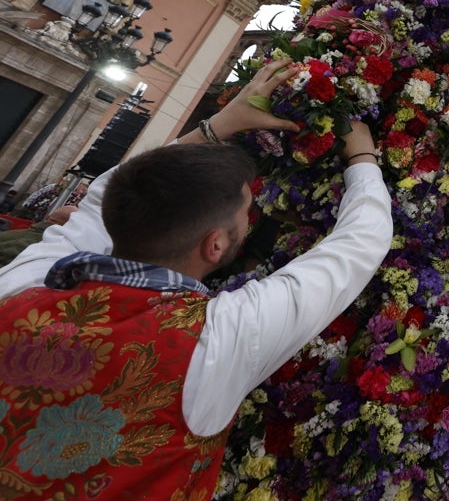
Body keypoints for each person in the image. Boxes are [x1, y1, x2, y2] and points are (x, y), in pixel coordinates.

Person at [0, 60, 393, 498]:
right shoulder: (215, 342)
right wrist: (361, 155)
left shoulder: (21, 286)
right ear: (215, 246)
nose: (250, 218)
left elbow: (101, 200)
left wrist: (221, 124)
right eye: (245, 213)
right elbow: (358, 246)